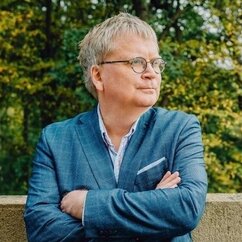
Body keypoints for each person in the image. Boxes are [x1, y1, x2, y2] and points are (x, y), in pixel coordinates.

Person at [24, 12, 207, 242]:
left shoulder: (180, 128)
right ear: (98, 76)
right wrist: (152, 207)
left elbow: (187, 208)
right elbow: (42, 229)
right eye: (137, 62)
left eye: (156, 63)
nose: (152, 73)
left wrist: (89, 206)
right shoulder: (55, 139)